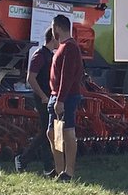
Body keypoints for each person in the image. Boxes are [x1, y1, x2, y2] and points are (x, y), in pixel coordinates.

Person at [15, 28, 57, 175]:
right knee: (46, 130)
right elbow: (31, 78)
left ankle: (47, 167)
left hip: (49, 97)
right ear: (54, 38)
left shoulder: (51, 55)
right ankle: (23, 159)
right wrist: (43, 96)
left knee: (48, 131)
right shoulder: (40, 55)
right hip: (42, 98)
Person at [48, 14, 83, 182]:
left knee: (68, 132)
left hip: (66, 97)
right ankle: (59, 168)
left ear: (57, 27)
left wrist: (60, 100)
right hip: (56, 95)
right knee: (53, 132)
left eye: (52, 28)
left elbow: (67, 76)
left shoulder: (70, 47)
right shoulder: (63, 46)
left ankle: (68, 171)